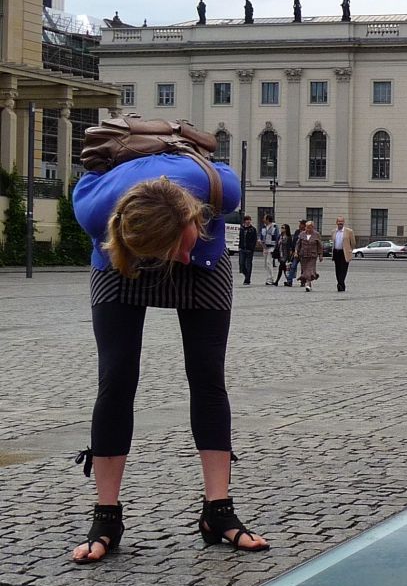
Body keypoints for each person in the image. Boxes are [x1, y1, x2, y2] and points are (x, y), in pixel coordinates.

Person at [70, 154, 269, 562]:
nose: (176, 258)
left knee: (208, 376)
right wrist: (153, 247)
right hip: (121, 263)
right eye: (169, 252)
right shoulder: (95, 211)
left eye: (180, 243)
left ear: (194, 217)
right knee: (116, 378)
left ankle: (218, 512)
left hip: (206, 263)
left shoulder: (218, 189)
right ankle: (106, 516)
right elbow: (88, 177)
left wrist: (188, 246)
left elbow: (192, 232)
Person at [331, 215, 356, 292]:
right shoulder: (333, 232)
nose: (340, 223)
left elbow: (353, 243)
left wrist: (349, 250)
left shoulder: (349, 231)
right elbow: (333, 242)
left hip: (344, 253)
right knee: (337, 269)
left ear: (344, 222)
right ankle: (340, 283)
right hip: (336, 252)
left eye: (341, 222)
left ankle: (340, 284)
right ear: (336, 222)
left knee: (343, 269)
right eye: (339, 222)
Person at [297, 220, 323, 290]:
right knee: (305, 270)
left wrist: (320, 255)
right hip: (303, 255)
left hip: (312, 255)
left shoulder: (316, 234)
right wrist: (296, 252)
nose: (308, 229)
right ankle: (309, 283)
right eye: (307, 227)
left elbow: (320, 245)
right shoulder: (302, 234)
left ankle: (307, 283)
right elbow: (298, 244)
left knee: (309, 270)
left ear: (313, 227)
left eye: (310, 227)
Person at [260, 213, 279, 286]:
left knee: (269, 262)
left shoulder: (274, 227)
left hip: (272, 247)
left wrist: (276, 248)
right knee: (266, 264)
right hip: (265, 247)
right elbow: (262, 235)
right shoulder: (264, 227)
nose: (263, 220)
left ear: (268, 219)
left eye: (264, 218)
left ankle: (271, 279)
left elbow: (277, 237)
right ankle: (268, 278)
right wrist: (261, 241)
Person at [238, 215, 257, 284]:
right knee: (241, 264)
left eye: (249, 220)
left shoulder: (253, 229)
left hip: (249, 250)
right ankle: (247, 275)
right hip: (242, 249)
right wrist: (239, 246)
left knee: (248, 264)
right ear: (245, 221)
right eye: (247, 220)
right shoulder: (242, 229)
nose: (248, 221)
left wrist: (252, 248)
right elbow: (240, 238)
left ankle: (247, 279)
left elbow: (254, 240)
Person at [286, 219, 305, 286]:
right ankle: (289, 281)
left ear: (304, 225)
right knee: (293, 266)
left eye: (301, 224)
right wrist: (292, 250)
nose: (299, 225)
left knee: (303, 268)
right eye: (299, 224)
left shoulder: (306, 232)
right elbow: (294, 241)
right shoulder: (297, 232)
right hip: (296, 253)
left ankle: (303, 281)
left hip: (303, 253)